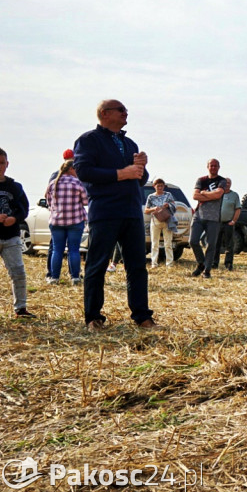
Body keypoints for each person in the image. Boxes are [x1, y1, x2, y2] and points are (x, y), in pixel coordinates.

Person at [73, 100, 158, 330]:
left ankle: (143, 317)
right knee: (97, 265)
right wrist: (122, 173)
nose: (125, 113)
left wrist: (142, 167)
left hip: (131, 211)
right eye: (120, 110)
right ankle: (93, 318)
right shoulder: (88, 140)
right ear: (104, 113)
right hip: (106, 210)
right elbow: (84, 171)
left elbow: (140, 178)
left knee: (137, 266)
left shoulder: (129, 143)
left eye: (126, 110)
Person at [0, 147, 36, 319]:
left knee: (18, 272)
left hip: (11, 237)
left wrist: (14, 218)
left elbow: (23, 209)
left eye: (2, 163)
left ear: (7, 164)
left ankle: (21, 308)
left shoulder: (15, 187)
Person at [44, 159, 88, 284]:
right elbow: (85, 201)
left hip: (56, 221)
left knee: (57, 250)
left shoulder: (53, 183)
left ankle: (54, 277)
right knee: (73, 250)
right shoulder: (77, 183)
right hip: (75, 220)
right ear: (71, 169)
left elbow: (48, 201)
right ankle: (75, 277)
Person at [190, 159, 227, 278]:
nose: (213, 167)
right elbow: (195, 195)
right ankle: (201, 263)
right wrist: (211, 196)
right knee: (193, 241)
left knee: (211, 244)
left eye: (215, 166)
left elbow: (218, 194)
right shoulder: (201, 180)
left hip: (214, 218)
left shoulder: (222, 181)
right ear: (207, 167)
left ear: (219, 167)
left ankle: (207, 270)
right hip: (199, 215)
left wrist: (204, 194)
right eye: (211, 165)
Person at [44, 148, 76, 282]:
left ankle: (52, 274)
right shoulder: (77, 175)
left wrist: (52, 208)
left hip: (57, 218)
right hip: (74, 217)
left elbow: (48, 195)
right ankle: (73, 274)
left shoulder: (55, 175)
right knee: (73, 248)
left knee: (56, 247)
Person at [144, 178, 177, 268]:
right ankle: (154, 263)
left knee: (168, 243)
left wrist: (168, 205)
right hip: (155, 221)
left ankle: (169, 264)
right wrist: (154, 209)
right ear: (154, 186)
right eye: (158, 186)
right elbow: (146, 210)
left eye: (161, 186)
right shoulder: (151, 196)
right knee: (154, 243)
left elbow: (174, 207)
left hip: (167, 220)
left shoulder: (168, 195)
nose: (160, 187)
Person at [212, 178, 241, 272]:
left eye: (229, 183)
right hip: (217, 223)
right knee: (216, 244)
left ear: (231, 184)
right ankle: (214, 263)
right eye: (225, 183)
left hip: (228, 223)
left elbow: (238, 209)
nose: (227, 184)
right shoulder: (217, 193)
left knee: (229, 245)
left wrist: (234, 221)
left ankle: (228, 264)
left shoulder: (234, 195)